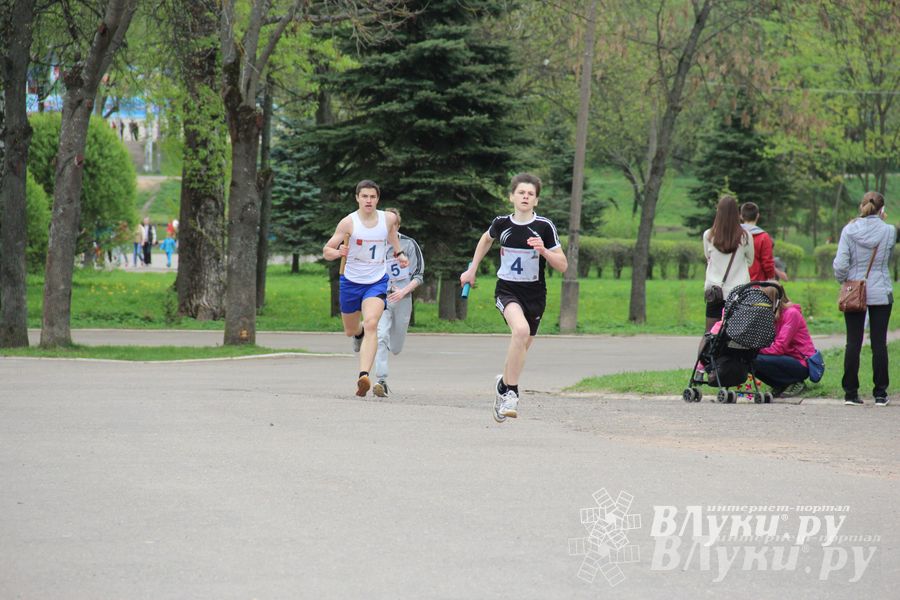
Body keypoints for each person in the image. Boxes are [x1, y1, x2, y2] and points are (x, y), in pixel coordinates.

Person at [459, 173, 568, 422]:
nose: (525, 197)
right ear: (512, 196)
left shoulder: (544, 227)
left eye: (530, 194)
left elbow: (563, 265)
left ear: (536, 200)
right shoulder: (501, 224)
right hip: (507, 290)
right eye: (521, 193)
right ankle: (512, 393)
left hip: (535, 294)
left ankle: (502, 386)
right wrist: (472, 269)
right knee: (519, 331)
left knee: (521, 347)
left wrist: (543, 250)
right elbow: (485, 240)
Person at [323, 180, 407, 397]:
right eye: (365, 196)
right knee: (352, 330)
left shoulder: (388, 219)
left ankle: (363, 376)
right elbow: (327, 250)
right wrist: (338, 252)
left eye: (372, 197)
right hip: (351, 281)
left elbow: (391, 236)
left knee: (372, 324)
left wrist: (399, 254)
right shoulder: (348, 223)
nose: (368, 200)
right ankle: (357, 334)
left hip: (376, 281)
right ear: (357, 198)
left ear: (377, 199)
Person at [833, 191, 897, 406]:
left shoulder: (849, 230)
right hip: (880, 291)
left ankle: (850, 393)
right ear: (882, 209)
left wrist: (845, 280)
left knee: (853, 342)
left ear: (862, 206)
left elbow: (841, 264)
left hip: (854, 291)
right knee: (879, 343)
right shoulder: (889, 231)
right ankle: (880, 394)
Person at [371, 208, 425, 398]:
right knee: (381, 336)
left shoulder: (409, 244)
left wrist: (403, 291)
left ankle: (362, 330)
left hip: (402, 297)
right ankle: (381, 380)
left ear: (398, 226)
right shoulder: (375, 244)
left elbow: (419, 275)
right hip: (380, 296)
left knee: (396, 346)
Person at [752, 285, 816, 398]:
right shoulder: (771, 316)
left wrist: (755, 349)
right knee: (747, 359)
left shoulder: (791, 314)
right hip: (784, 359)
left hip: (800, 362)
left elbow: (779, 348)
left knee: (754, 358)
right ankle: (780, 384)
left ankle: (796, 382)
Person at [703, 195, 754, 332]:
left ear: (718, 212)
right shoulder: (745, 236)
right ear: (737, 214)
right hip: (739, 292)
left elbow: (708, 257)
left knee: (710, 333)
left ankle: (706, 354)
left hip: (715, 292)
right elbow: (750, 260)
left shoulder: (708, 235)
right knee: (736, 334)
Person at [740, 202, 787, 281]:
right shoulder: (763, 237)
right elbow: (767, 263)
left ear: (741, 216)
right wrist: (771, 278)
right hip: (757, 285)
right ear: (757, 216)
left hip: (737, 284)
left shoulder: (734, 235)